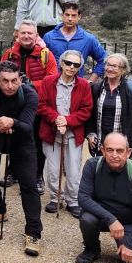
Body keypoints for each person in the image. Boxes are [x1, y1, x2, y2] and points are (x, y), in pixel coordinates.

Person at [0, 62, 43, 257]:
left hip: (22, 141)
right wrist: (2, 124)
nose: (10, 86)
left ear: (20, 79)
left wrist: (12, 122)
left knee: (29, 185)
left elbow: (28, 127)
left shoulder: (30, 94)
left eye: (14, 81)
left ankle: (33, 232)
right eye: (5, 81)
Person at [74, 132, 132, 263]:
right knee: (87, 219)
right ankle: (92, 249)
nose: (114, 155)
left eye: (120, 151)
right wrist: (111, 220)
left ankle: (126, 243)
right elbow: (83, 198)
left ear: (128, 152)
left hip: (129, 222)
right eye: (110, 150)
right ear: (103, 151)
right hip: (102, 218)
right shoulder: (93, 165)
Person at [0, 20, 58, 193]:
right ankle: (12, 171)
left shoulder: (46, 55)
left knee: (37, 141)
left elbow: (52, 79)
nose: (26, 36)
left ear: (36, 35)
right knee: (13, 137)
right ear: (17, 35)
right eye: (23, 33)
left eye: (30, 33)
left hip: (37, 105)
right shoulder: (10, 54)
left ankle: (38, 176)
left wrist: (30, 84)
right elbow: (1, 75)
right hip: (14, 103)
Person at [37, 49, 93, 217]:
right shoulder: (48, 81)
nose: (71, 67)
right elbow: (41, 105)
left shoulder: (83, 85)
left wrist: (67, 120)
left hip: (73, 134)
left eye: (76, 65)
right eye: (68, 63)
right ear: (61, 63)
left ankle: (72, 200)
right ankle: (55, 198)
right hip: (51, 132)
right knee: (53, 169)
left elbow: (86, 110)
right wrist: (56, 119)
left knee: (73, 170)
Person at [86, 53, 132, 156]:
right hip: (100, 143)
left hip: (122, 145)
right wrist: (90, 132)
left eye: (114, 66)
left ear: (123, 70)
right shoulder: (96, 88)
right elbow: (89, 114)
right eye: (108, 65)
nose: (110, 69)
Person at [41, 2, 106, 82]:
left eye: (73, 15)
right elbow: (40, 61)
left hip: (77, 85)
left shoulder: (88, 39)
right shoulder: (49, 37)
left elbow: (103, 59)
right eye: (67, 15)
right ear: (62, 15)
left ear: (79, 17)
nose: (70, 18)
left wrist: (90, 81)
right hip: (53, 84)